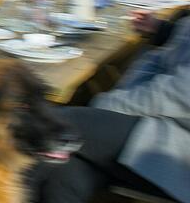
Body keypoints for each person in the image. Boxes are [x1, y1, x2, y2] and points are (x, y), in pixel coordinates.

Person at [30, 12, 190, 203]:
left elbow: (181, 94)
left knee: (49, 128)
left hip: (177, 146)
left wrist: (103, 109)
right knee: (62, 168)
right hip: (166, 126)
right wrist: (168, 30)